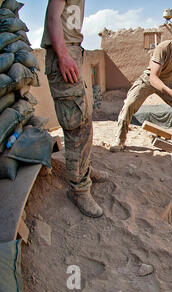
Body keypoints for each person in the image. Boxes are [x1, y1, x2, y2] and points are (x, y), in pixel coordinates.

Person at [42, 0, 108, 218]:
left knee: (85, 121)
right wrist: (62, 56)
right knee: (76, 127)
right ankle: (79, 189)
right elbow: (53, 17)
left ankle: (84, 170)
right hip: (64, 55)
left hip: (72, 54)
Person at [109, 27, 172, 152]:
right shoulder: (164, 48)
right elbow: (154, 77)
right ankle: (120, 140)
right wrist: (171, 93)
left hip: (167, 83)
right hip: (148, 81)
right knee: (129, 105)